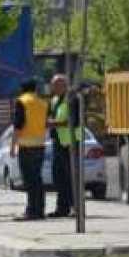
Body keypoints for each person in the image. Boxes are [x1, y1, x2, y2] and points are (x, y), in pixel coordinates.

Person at [11, 78, 48, 221]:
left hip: (26, 147)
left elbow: (18, 125)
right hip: (40, 145)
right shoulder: (43, 103)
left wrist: (13, 146)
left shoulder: (22, 101)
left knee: (29, 180)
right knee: (37, 179)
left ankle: (31, 211)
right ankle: (40, 210)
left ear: (22, 89)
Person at [47, 74, 80, 218]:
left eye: (57, 85)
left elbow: (74, 121)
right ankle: (62, 208)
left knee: (71, 177)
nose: (53, 87)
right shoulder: (54, 100)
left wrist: (53, 123)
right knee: (59, 178)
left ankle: (76, 208)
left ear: (65, 85)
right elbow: (50, 117)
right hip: (58, 142)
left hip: (70, 143)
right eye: (53, 84)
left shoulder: (73, 99)